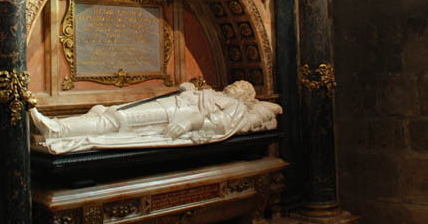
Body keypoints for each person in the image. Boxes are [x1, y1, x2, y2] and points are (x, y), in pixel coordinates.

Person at [30, 80, 282, 154]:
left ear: (248, 97)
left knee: (117, 120)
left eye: (241, 86)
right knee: (112, 113)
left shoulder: (237, 107)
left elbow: (220, 124)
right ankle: (58, 128)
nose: (234, 85)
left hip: (177, 114)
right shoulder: (213, 91)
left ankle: (58, 130)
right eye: (236, 83)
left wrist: (189, 122)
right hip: (173, 103)